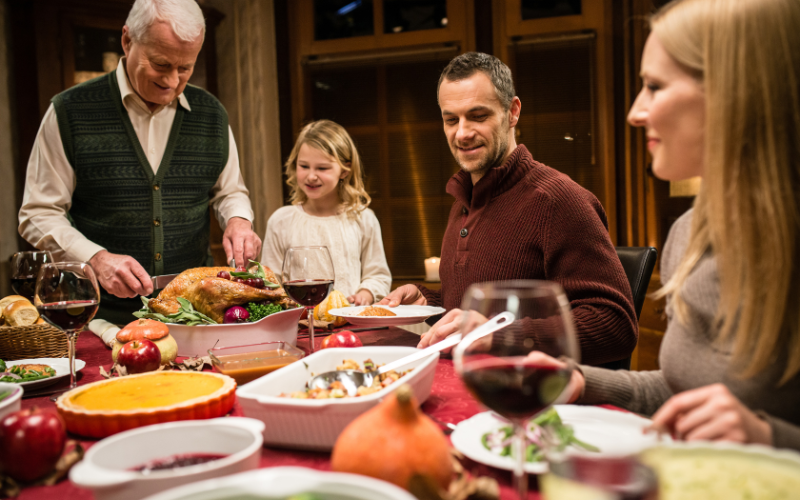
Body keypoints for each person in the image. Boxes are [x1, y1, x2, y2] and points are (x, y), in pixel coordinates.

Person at [529, 0, 800, 450]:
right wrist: (579, 380)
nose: (636, 112)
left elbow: (744, 423)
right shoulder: (690, 234)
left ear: (738, 93)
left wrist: (769, 437)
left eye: (654, 86)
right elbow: (684, 396)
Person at [379, 52, 638, 366]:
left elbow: (616, 325)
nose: (462, 133)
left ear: (512, 112)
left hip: (534, 400)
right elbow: (473, 314)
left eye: (478, 115)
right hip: (470, 385)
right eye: (451, 119)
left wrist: (496, 336)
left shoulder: (559, 200)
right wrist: (428, 301)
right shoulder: (463, 201)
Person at [18, 0, 261, 324]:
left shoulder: (211, 114)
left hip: (195, 318)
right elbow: (39, 212)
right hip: (96, 319)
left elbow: (229, 191)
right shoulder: (70, 111)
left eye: (185, 68)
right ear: (127, 40)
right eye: (161, 64)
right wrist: (96, 259)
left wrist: (238, 221)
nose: (173, 81)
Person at [260, 120, 391, 305]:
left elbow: (378, 275)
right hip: (300, 327)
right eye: (304, 166)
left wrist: (365, 294)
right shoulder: (281, 221)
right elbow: (270, 281)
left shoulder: (363, 219)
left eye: (322, 168)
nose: (311, 176)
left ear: (345, 170)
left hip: (350, 325)